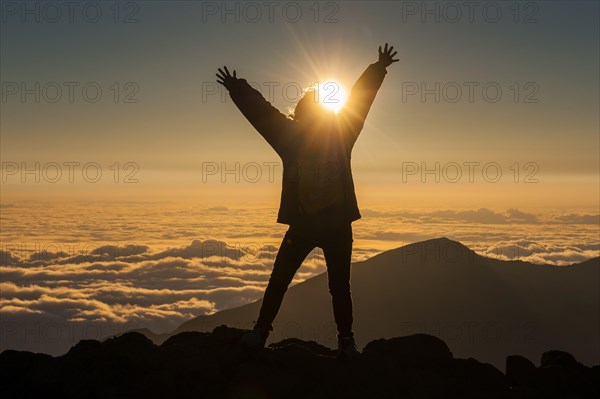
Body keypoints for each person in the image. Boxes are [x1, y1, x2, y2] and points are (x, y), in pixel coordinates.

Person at [216, 43, 398, 361]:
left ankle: (268, 333)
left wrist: (378, 68)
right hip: (328, 224)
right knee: (327, 285)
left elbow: (359, 99)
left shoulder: (319, 136)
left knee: (298, 282)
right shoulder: (332, 135)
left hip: (320, 224)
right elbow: (262, 112)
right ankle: (341, 341)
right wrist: (238, 88)